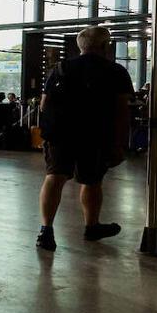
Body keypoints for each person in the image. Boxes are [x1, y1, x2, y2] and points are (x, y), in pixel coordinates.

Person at [36, 26, 134, 251]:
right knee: (92, 181)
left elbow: (44, 104)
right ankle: (91, 226)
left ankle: (46, 231)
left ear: (80, 46)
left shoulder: (60, 69)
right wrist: (119, 144)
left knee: (55, 178)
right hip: (95, 135)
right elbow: (121, 112)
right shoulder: (115, 71)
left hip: (61, 135)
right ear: (104, 45)